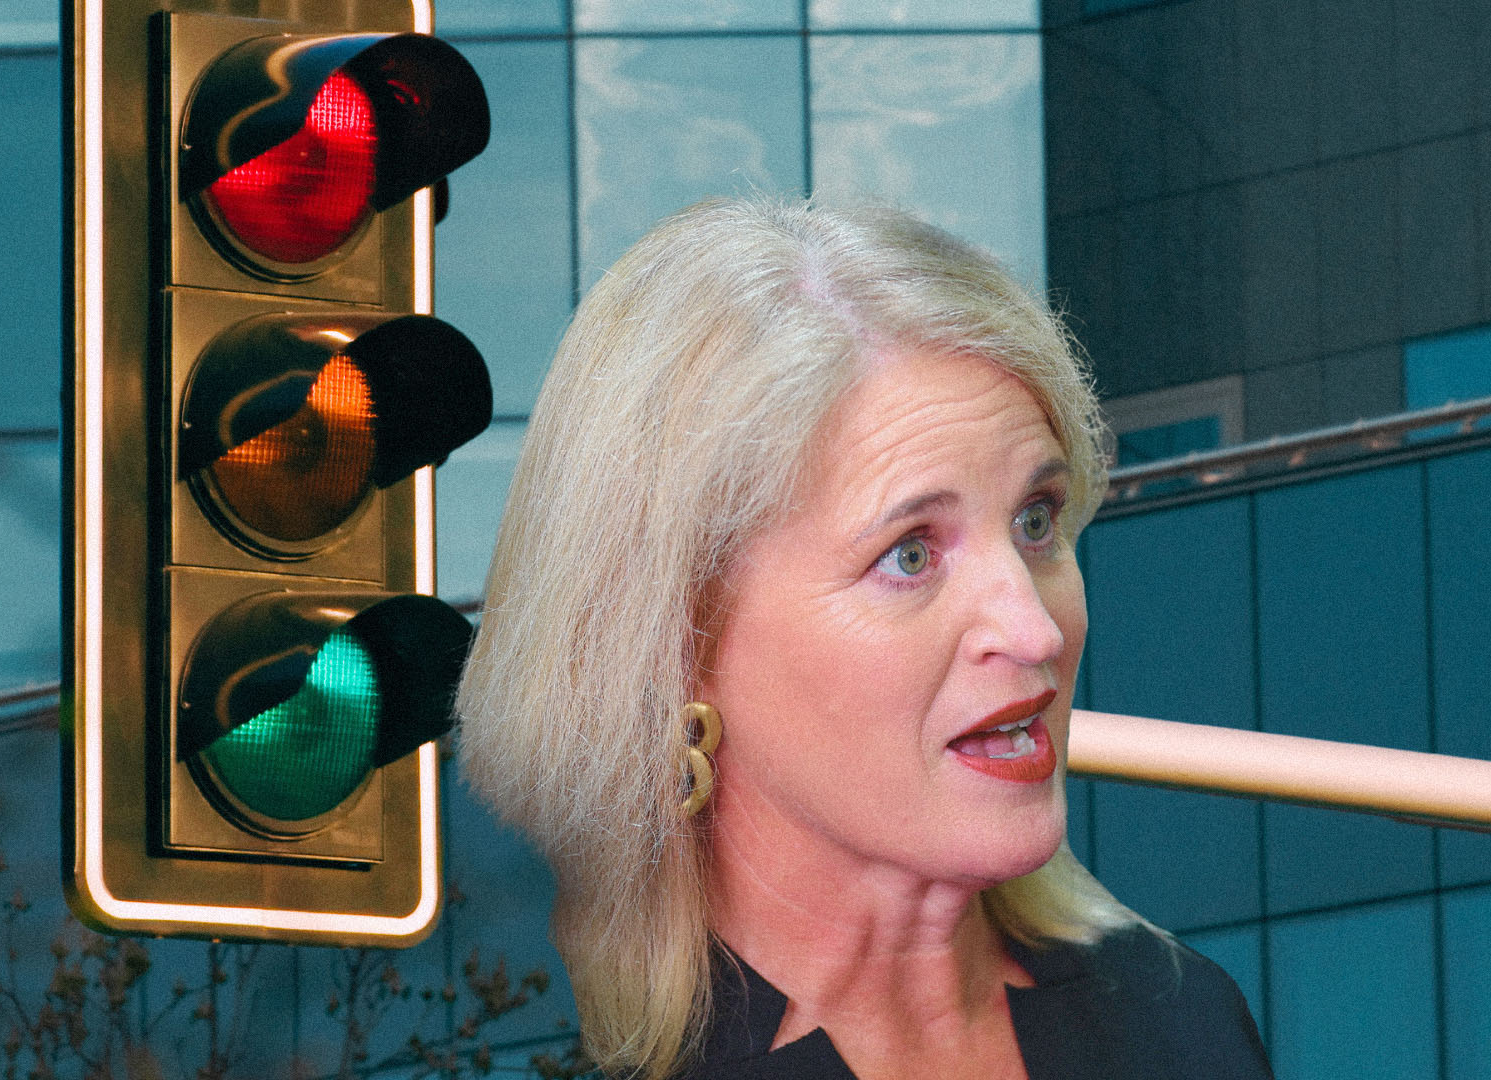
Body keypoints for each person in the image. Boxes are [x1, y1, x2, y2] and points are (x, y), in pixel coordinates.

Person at [455, 198, 1272, 1080]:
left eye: (1035, 520)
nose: (1033, 629)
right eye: (910, 555)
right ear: (678, 644)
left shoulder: (1180, 1021)